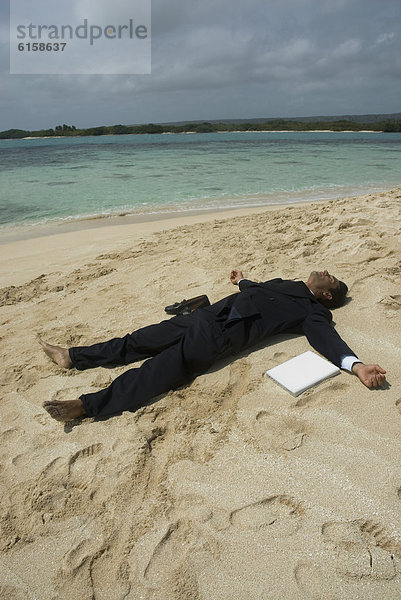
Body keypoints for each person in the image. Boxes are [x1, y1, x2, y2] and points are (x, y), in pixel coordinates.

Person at [40, 269, 386, 422]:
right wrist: (241, 280)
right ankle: (73, 357)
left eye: (332, 278)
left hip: (220, 337)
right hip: (202, 317)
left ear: (327, 295)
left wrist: (355, 365)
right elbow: (259, 288)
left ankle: (85, 406)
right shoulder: (289, 284)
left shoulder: (311, 311)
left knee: (155, 372)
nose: (326, 271)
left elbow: (326, 338)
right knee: (137, 340)